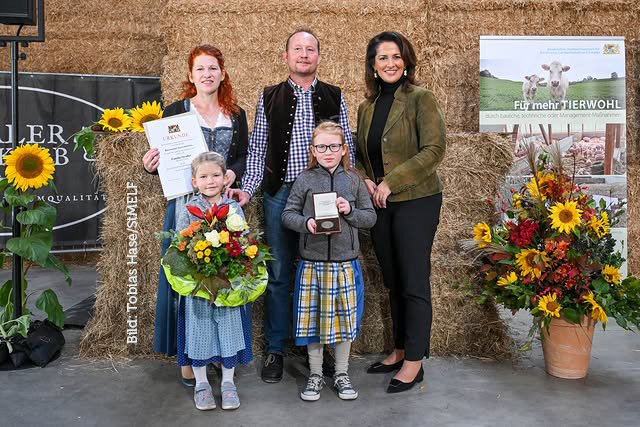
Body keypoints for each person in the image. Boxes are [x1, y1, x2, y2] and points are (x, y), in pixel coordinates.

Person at [229, 28, 355, 383]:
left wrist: (351, 188)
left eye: (310, 49)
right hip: (281, 193)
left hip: (324, 194)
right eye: (297, 49)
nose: (304, 54)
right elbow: (257, 151)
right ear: (286, 57)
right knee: (280, 273)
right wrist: (249, 191)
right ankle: (276, 348)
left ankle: (319, 349)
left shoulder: (334, 95)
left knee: (320, 272)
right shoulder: (269, 96)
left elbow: (348, 149)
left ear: (319, 56)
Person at [143, 45, 248, 386]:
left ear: (222, 72)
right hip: (185, 206)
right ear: (190, 75)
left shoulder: (236, 113)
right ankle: (188, 357)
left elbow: (243, 157)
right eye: (200, 68)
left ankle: (220, 350)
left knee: (223, 273)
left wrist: (233, 173)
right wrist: (150, 165)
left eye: (213, 68)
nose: (207, 74)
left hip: (223, 206)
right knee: (187, 277)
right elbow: (164, 158)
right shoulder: (175, 111)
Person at [356, 32, 446, 393]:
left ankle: (415, 361)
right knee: (393, 279)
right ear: (373, 66)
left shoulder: (421, 99)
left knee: (413, 280)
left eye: (396, 57)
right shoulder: (367, 106)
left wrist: (390, 181)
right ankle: (399, 348)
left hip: (415, 200)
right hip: (380, 202)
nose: (390, 63)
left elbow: (434, 149)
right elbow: (361, 155)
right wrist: (364, 180)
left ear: (406, 61)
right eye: (382, 58)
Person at [282, 122, 376, 401]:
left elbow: (370, 217)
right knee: (314, 322)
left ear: (344, 149)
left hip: (345, 263)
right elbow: (287, 214)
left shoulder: (354, 180)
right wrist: (306, 223)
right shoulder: (305, 179)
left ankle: (342, 374)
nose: (328, 151)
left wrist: (350, 212)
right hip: (312, 263)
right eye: (321, 146)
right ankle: (314, 375)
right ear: (313, 149)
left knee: (343, 322)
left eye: (334, 146)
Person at [174, 152, 252, 410]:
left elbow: (243, 238)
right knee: (199, 332)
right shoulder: (187, 209)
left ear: (225, 178)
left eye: (216, 175)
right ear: (194, 181)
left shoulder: (233, 207)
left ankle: (228, 383)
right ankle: (201, 385)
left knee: (228, 331)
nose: (210, 181)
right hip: (198, 285)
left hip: (227, 283)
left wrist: (235, 255)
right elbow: (180, 243)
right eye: (204, 176)